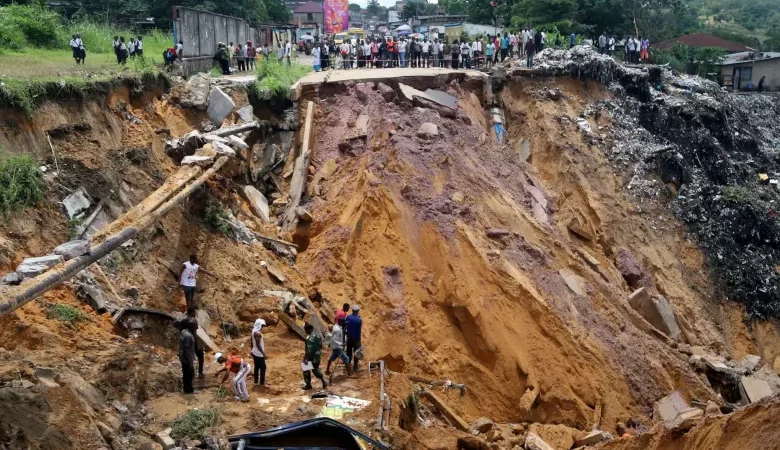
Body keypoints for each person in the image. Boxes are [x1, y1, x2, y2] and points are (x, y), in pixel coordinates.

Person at [302, 323, 328, 390]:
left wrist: (306, 359)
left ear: (307, 329)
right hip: (317, 356)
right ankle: (323, 379)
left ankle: (308, 385)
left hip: (311, 357)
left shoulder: (309, 338)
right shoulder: (318, 335)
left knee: (306, 369)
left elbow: (309, 350)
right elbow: (320, 345)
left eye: (305, 329)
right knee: (315, 370)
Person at [178, 318, 198, 394]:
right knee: (189, 375)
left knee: (186, 374)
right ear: (191, 326)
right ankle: (189, 390)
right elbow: (187, 350)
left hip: (183, 357)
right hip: (186, 359)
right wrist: (190, 362)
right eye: (195, 327)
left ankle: (186, 388)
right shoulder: (188, 336)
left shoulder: (184, 332)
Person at [186, 307, 205, 378]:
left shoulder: (184, 320)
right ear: (191, 312)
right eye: (194, 312)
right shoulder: (193, 321)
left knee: (189, 358)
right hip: (192, 341)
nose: (195, 314)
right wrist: (197, 344)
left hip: (186, 341)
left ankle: (192, 374)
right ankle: (200, 373)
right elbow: (194, 333)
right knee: (200, 356)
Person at [345, 305, 363, 372]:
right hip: (356, 339)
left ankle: (348, 365)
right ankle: (355, 366)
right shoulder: (359, 319)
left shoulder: (348, 317)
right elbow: (359, 329)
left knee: (349, 352)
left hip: (349, 338)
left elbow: (346, 326)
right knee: (356, 353)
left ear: (352, 310)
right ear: (358, 311)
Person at [251, 318, 267, 385]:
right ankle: (262, 382)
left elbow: (251, 342)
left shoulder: (253, 331)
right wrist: (264, 354)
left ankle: (256, 381)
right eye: (262, 325)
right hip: (259, 354)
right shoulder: (257, 333)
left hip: (255, 352)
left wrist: (251, 350)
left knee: (256, 366)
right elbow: (258, 345)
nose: (263, 327)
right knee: (263, 367)